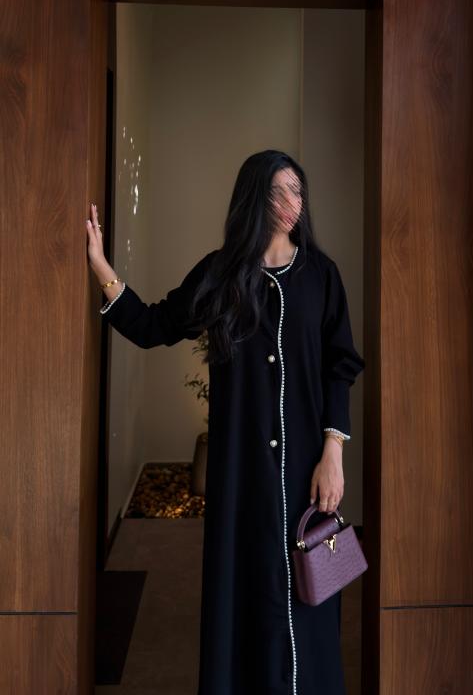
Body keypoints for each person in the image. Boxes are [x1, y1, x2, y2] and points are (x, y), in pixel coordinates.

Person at [86, 149, 365, 695]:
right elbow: (154, 325)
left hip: (308, 472)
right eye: (279, 191)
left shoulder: (321, 276)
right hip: (242, 478)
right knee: (247, 599)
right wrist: (102, 269)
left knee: (312, 596)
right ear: (254, 198)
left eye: (298, 191)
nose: (292, 203)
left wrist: (333, 452)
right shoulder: (220, 274)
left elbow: (341, 366)